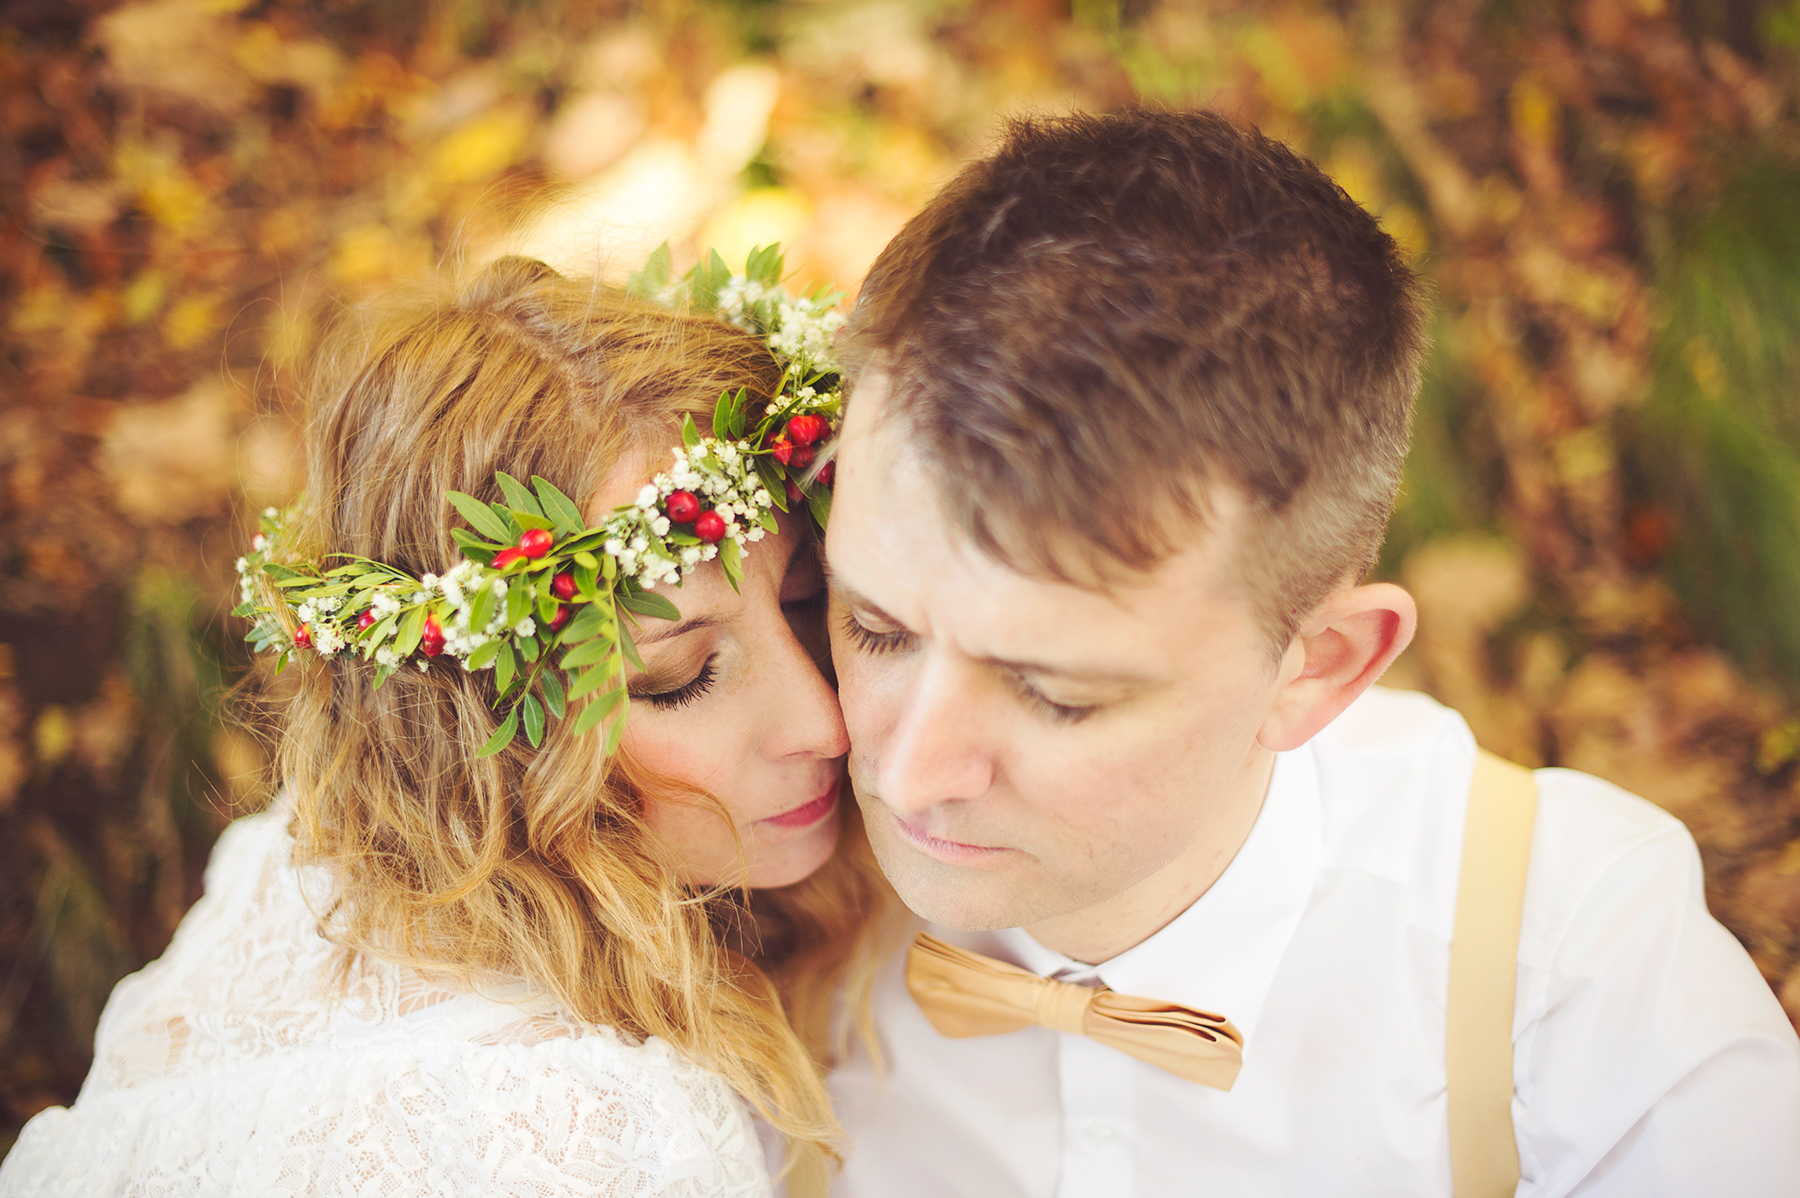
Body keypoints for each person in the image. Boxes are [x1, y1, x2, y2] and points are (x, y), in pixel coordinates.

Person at [819, 109, 1800, 1196]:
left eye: (1056, 696)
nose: (906, 772)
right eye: (874, 626)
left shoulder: (1576, 967)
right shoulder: (732, 877)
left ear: (1322, 664)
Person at [0, 255, 889, 1198]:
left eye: (805, 602)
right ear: (485, 741)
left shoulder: (302, 848)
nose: (827, 723)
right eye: (677, 676)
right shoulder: (584, 1134)